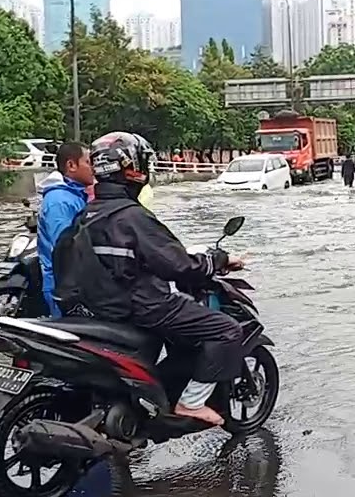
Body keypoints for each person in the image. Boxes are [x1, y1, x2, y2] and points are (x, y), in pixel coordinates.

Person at [53, 132, 246, 426]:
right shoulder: (132, 217)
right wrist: (218, 261)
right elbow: (178, 266)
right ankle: (191, 404)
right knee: (227, 330)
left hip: (103, 308)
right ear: (132, 168)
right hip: (144, 306)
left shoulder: (87, 214)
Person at [37, 142, 93, 318]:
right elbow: (65, 249)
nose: (94, 168)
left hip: (76, 284)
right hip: (63, 288)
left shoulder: (75, 195)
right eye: (89, 162)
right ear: (71, 165)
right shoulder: (60, 201)